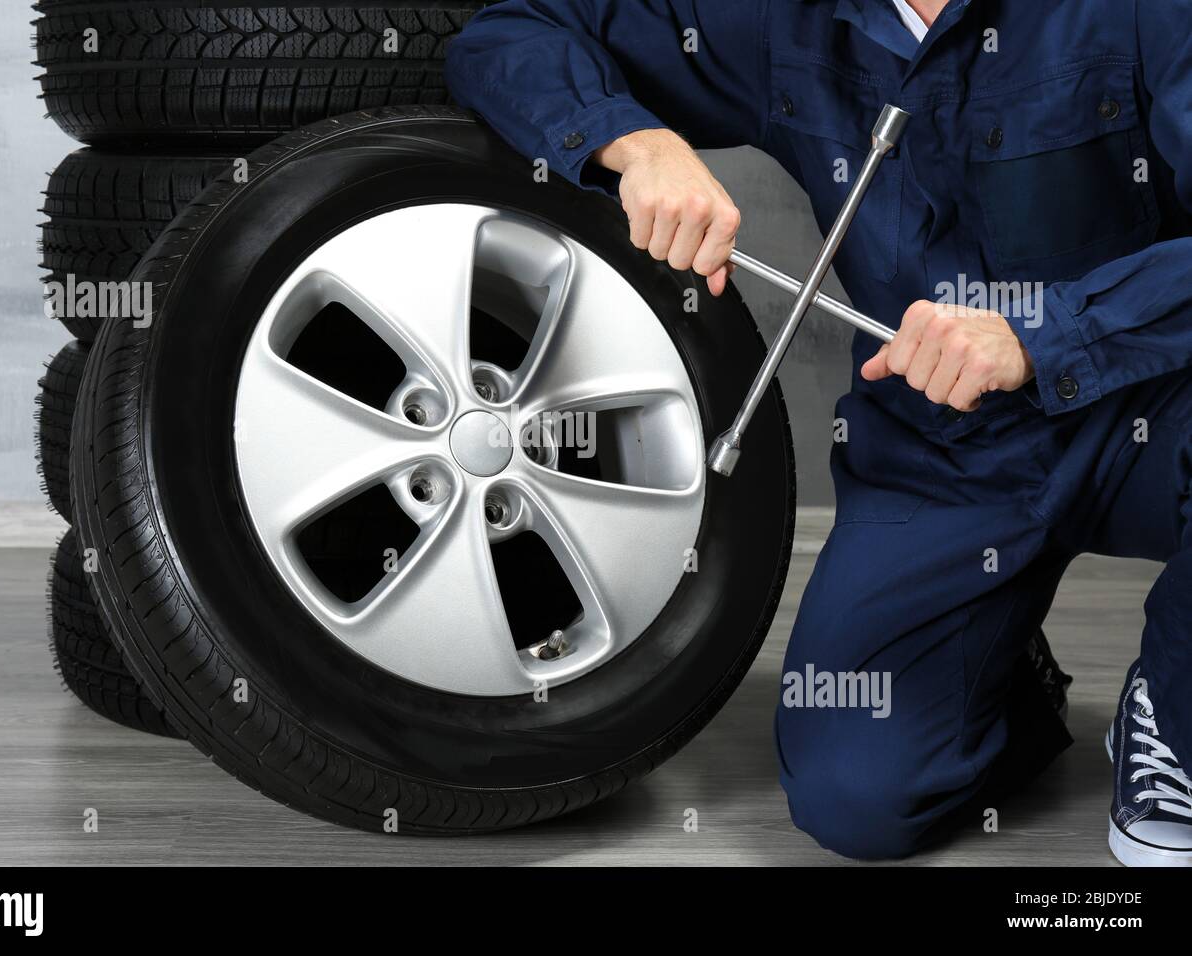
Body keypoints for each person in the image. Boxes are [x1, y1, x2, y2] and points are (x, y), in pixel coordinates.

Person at [446, 0, 1192, 865]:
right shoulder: (778, 18)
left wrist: (1044, 333)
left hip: (1148, 405)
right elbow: (507, 33)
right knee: (856, 799)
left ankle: (1174, 713)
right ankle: (999, 674)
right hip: (946, 456)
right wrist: (634, 143)